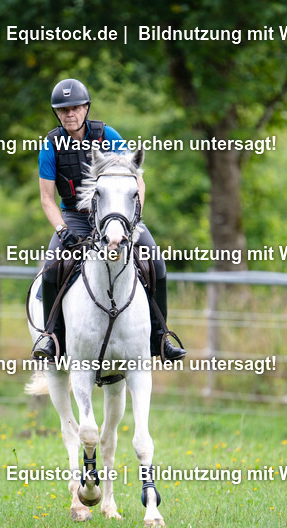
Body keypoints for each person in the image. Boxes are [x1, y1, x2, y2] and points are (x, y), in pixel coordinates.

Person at [32, 78, 186, 361]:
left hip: (117, 215)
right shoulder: (50, 146)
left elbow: (136, 180)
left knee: (156, 261)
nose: (70, 114)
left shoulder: (109, 136)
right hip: (75, 219)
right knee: (52, 268)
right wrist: (61, 229)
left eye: (75, 108)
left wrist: (133, 217)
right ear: (57, 113)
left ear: (86, 108)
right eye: (63, 110)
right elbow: (46, 198)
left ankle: (160, 337)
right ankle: (51, 338)